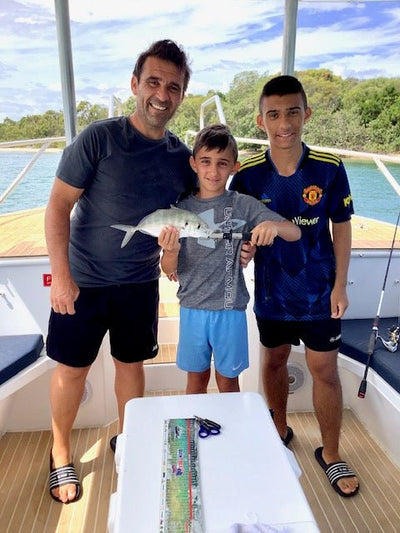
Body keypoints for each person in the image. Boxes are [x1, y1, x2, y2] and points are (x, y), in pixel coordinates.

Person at [45, 39, 197, 504]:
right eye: (153, 82)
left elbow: (198, 211)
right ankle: (60, 451)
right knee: (73, 370)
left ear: (182, 95)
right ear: (135, 84)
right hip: (83, 281)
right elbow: (58, 207)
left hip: (138, 283)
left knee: (131, 367)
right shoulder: (99, 138)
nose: (162, 95)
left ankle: (128, 441)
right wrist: (61, 277)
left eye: (173, 87)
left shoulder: (181, 157)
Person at [229, 75, 360, 497]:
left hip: (320, 292)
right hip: (272, 293)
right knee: (273, 363)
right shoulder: (247, 175)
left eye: (292, 112)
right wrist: (245, 248)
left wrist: (341, 285)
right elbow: (238, 229)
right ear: (260, 120)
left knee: (325, 371)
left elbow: (342, 226)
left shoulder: (329, 167)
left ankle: (332, 453)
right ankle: (279, 431)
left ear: (307, 113)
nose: (284, 123)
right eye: (273, 115)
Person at [158, 124, 300, 394]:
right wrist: (171, 250)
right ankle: (195, 424)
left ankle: (232, 423)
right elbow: (168, 269)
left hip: (230, 310)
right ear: (193, 163)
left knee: (228, 382)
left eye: (222, 163)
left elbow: (294, 232)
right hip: (191, 309)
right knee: (196, 381)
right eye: (206, 162)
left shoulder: (243, 204)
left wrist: (273, 226)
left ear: (235, 167)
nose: (213, 171)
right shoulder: (180, 209)